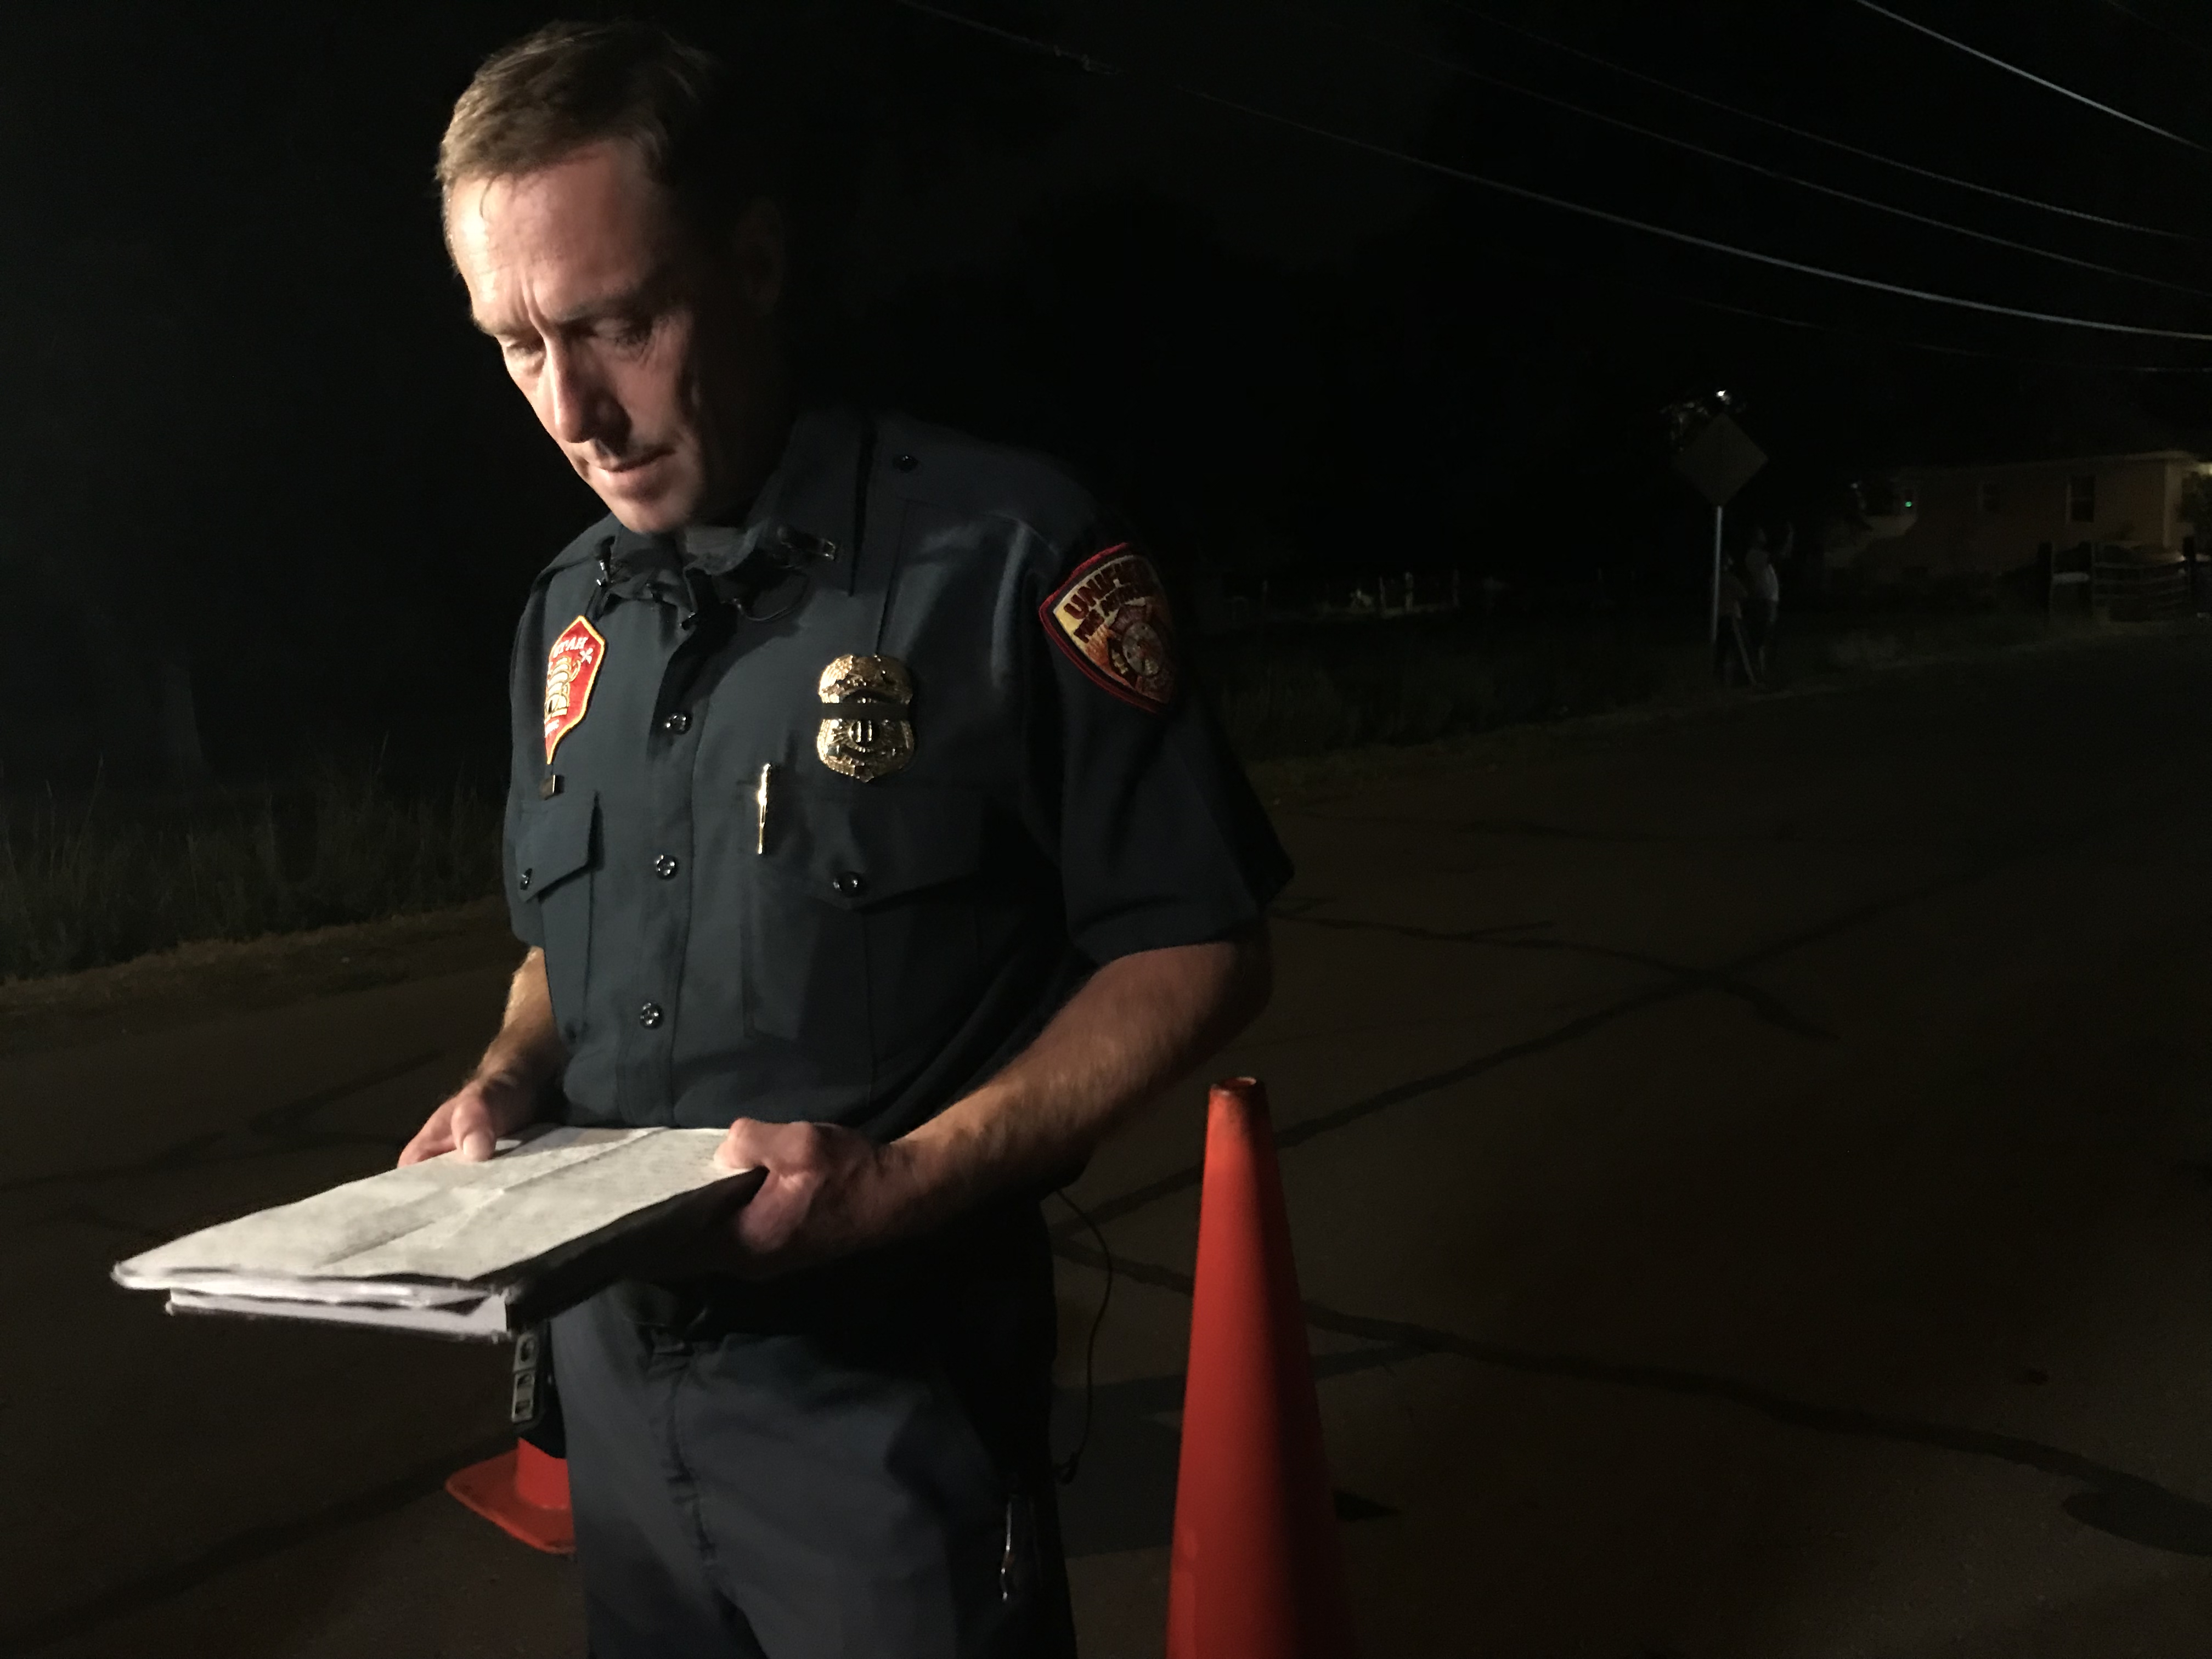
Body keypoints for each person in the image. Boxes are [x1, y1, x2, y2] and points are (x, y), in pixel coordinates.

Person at [396, 22, 1290, 1659]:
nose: (575, 408)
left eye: (617, 323)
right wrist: (504, 1085)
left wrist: (899, 1189)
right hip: (615, 1395)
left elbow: (1195, 942)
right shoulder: (567, 622)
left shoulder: (1005, 558)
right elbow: (557, 949)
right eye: (517, 346)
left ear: (753, 258)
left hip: (888, 1413)